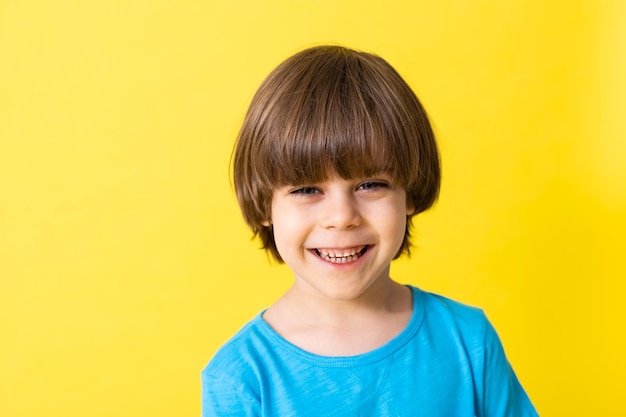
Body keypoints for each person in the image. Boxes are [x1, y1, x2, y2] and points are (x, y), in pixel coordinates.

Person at [202, 45, 538, 416]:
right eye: (307, 189)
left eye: (370, 184)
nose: (342, 216)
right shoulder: (240, 378)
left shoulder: (469, 341)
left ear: (409, 192)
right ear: (265, 204)